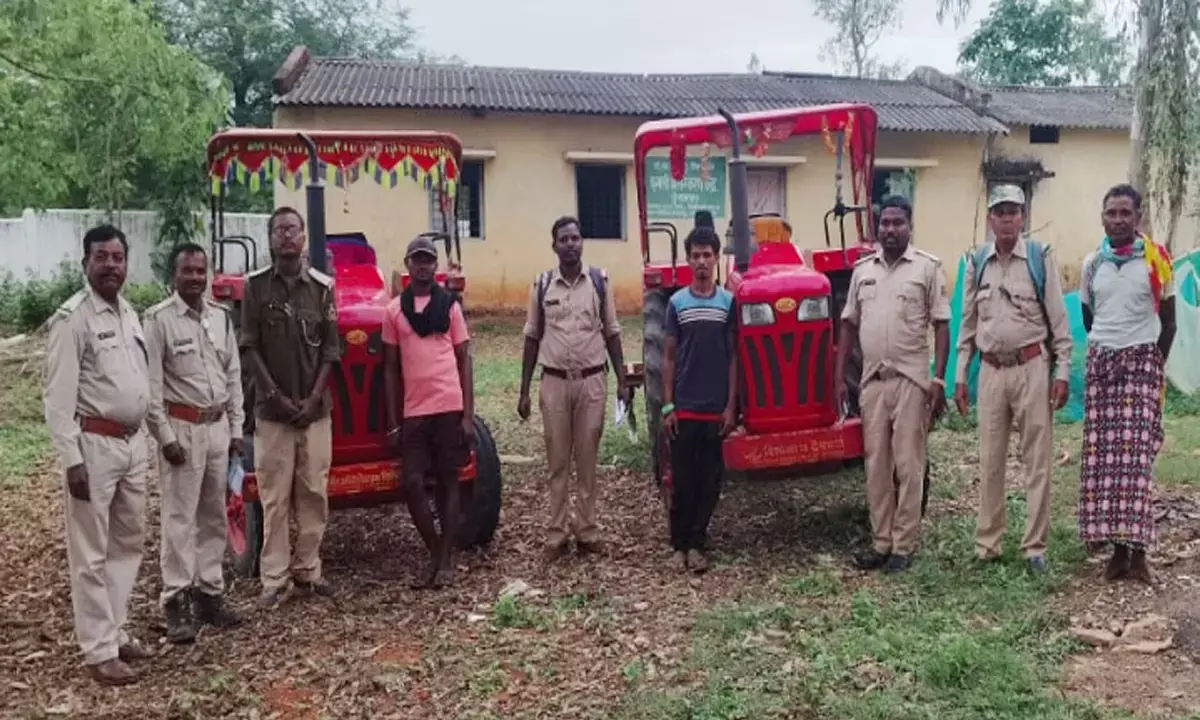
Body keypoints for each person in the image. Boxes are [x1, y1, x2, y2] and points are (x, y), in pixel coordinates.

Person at [43, 225, 154, 685]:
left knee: (126, 543)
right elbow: (56, 397)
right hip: (95, 446)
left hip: (132, 444)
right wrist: (72, 460)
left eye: (118, 258)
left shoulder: (128, 313)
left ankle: (116, 628)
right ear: (85, 262)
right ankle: (98, 650)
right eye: (102, 258)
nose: (112, 266)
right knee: (90, 551)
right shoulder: (73, 318)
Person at [955, 184, 1072, 572]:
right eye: (999, 211)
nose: (1006, 218)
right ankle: (987, 543)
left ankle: (1034, 547)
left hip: (1032, 368)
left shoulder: (1040, 258)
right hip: (990, 371)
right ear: (990, 218)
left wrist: (1063, 371)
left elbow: (1058, 319)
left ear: (1023, 217)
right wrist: (959, 376)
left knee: (1036, 460)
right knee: (989, 460)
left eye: (1013, 211)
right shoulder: (976, 261)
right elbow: (967, 325)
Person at [835, 196, 951, 573]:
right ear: (877, 226)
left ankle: (904, 545)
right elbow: (849, 324)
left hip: (911, 381)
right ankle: (881, 542)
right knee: (877, 466)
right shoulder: (863, 270)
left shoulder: (927, 269)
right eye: (884, 223)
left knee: (908, 465)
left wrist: (937, 379)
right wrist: (839, 378)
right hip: (872, 382)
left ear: (910, 226)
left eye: (897, 222)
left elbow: (941, 325)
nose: (890, 229)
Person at [144, 243, 245, 642]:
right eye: (187, 271)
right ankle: (176, 600)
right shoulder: (159, 321)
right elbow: (151, 388)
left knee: (214, 516)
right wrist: (165, 437)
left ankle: (209, 593)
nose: (194, 278)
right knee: (179, 519)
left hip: (217, 428)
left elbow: (233, 375)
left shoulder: (219, 317)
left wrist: (237, 431)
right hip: (181, 430)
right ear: (174, 274)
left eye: (200, 271)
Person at [240, 206, 341, 608]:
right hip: (273, 415)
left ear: (303, 238)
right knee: (275, 498)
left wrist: (314, 398)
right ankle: (275, 579)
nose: (286, 236)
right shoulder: (256, 289)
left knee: (314, 493)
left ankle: (308, 571)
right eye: (278, 229)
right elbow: (249, 345)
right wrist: (275, 397)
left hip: (314, 413)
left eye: (293, 229)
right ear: (270, 239)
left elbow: (331, 352)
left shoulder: (322, 288)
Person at [1078, 184, 1176, 584]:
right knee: (1105, 464)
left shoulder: (1156, 260)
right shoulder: (1091, 263)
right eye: (1111, 213)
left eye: (1125, 213)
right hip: (1103, 367)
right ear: (1102, 217)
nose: (1118, 220)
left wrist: (1151, 363)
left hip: (1141, 366)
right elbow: (1089, 317)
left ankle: (1138, 556)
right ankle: (1116, 553)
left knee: (1136, 463)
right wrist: (1108, 350)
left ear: (1138, 218)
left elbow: (1169, 322)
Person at [519, 215, 629, 562]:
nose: (570, 244)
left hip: (592, 381)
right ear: (554, 246)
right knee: (557, 463)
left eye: (575, 238)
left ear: (582, 242)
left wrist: (623, 382)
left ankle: (586, 530)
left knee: (587, 459)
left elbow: (612, 331)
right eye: (563, 239)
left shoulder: (598, 282)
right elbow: (532, 337)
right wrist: (523, 390)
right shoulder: (541, 286)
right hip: (553, 383)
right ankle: (556, 533)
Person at [383, 236, 474, 589]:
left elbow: (465, 359)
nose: (422, 266)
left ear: (435, 266)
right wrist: (393, 422)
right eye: (416, 260)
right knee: (412, 483)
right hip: (414, 412)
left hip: (448, 405)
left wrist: (467, 415)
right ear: (407, 265)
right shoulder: (393, 311)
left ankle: (446, 560)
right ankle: (436, 551)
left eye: (428, 260)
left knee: (449, 481)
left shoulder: (450, 307)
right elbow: (390, 369)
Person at [661, 225, 736, 574]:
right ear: (688, 260)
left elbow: (734, 357)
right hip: (685, 408)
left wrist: (730, 406)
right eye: (696, 255)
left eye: (708, 255)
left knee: (710, 482)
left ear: (717, 259)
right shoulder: (677, 303)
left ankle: (697, 543)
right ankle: (678, 545)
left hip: (714, 410)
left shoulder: (728, 304)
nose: (702, 261)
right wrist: (667, 405)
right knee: (683, 480)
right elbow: (669, 358)